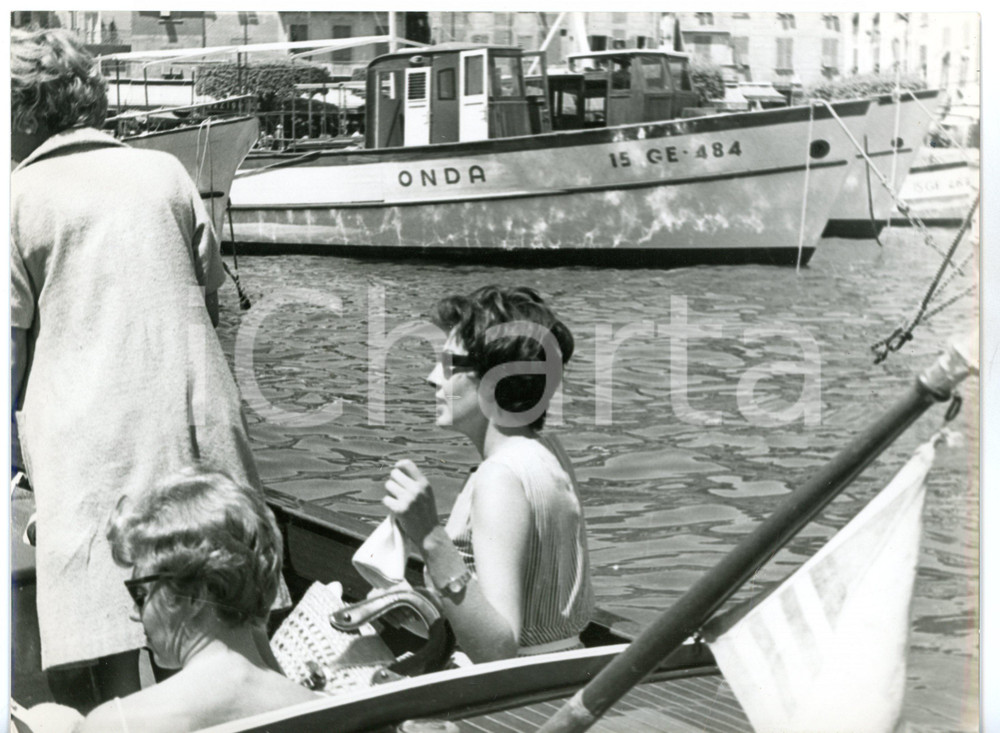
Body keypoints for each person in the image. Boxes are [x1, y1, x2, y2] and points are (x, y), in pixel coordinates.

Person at [11, 28, 262, 710]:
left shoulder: (19, 196)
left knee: (100, 642)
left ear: (21, 112)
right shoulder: (166, 174)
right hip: (194, 428)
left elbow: (8, 349)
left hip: (91, 448)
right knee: (211, 625)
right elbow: (207, 297)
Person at [383, 286, 594, 663]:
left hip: (513, 701)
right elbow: (530, 596)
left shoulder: (500, 477)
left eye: (449, 365)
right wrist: (420, 601)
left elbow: (499, 650)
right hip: (562, 672)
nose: (432, 378)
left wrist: (430, 538)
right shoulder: (547, 452)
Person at [76, 468, 319, 733]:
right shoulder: (319, 708)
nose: (135, 612)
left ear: (194, 596)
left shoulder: (116, 724)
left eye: (141, 595)